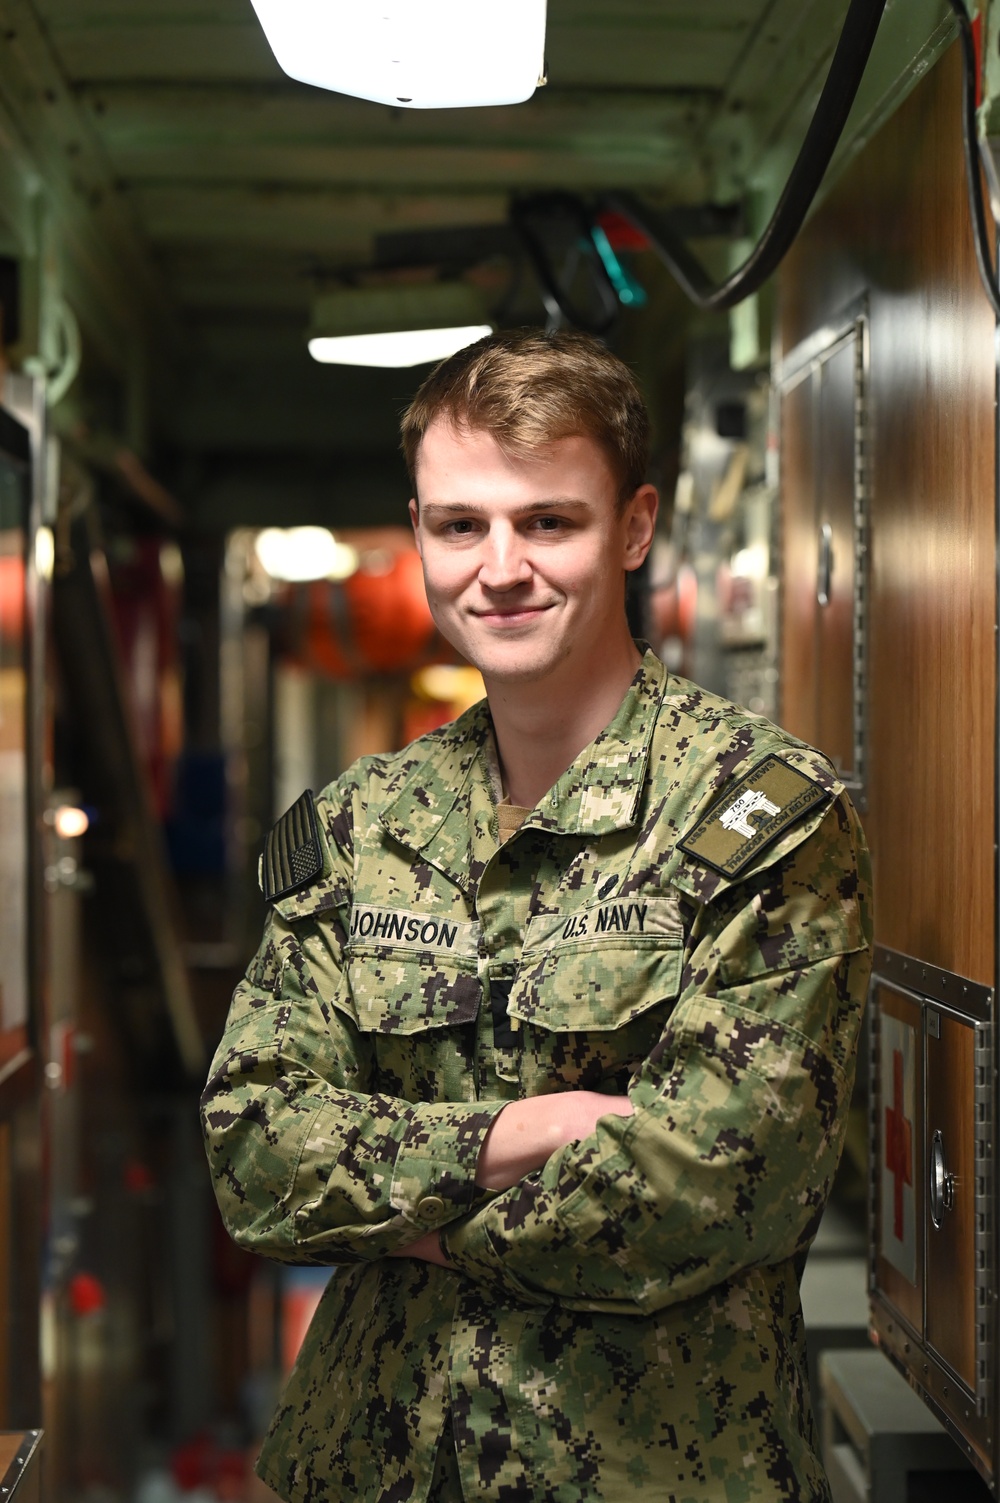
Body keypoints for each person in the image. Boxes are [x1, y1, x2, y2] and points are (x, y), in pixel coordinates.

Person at [202, 328, 873, 1503]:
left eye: (547, 521)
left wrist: (392, 1217)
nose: (498, 567)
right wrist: (524, 1131)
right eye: (460, 524)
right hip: (374, 1466)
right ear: (418, 533)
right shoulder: (359, 831)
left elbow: (708, 1182)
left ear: (634, 526)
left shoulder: (762, 818)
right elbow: (255, 1152)